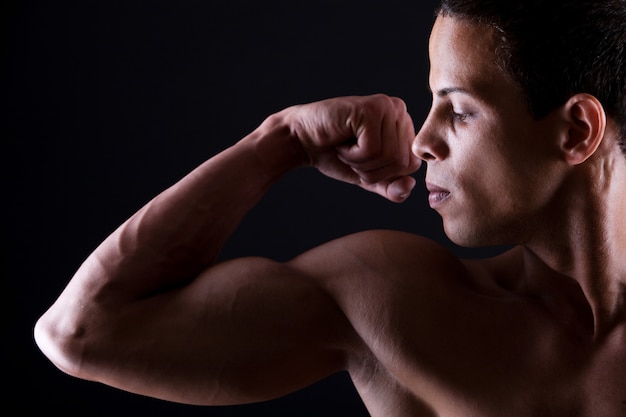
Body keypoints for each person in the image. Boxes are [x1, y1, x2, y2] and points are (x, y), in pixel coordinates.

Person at [34, 0, 626, 415]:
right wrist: (278, 143)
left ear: (576, 130)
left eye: (460, 110)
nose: (422, 142)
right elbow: (83, 332)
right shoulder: (394, 306)